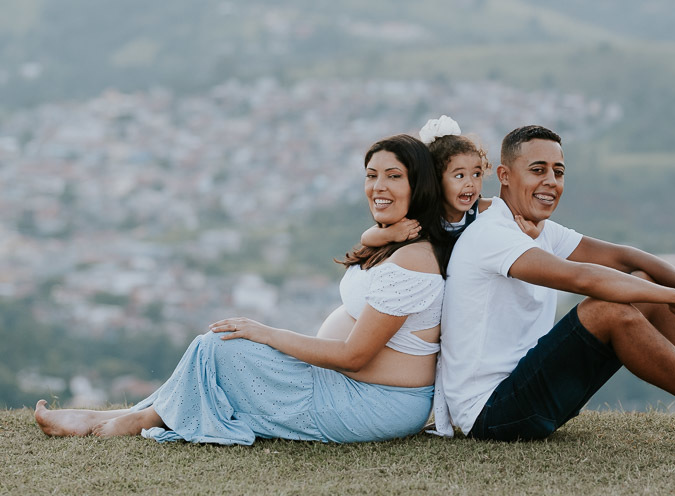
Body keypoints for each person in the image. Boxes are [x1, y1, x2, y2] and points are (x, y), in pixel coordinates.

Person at [34, 134, 452, 445]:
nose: (378, 187)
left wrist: (267, 333)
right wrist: (380, 235)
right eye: (371, 176)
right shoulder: (396, 243)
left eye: (393, 177)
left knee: (219, 348)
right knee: (214, 346)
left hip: (371, 402)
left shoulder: (414, 260)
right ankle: (121, 415)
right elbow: (367, 255)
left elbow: (355, 356)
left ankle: (131, 421)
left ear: (420, 186)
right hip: (343, 386)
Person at [433, 125, 675, 443]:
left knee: (640, 283)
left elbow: (626, 257)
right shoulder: (492, 233)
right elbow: (584, 278)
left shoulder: (540, 230)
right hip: (491, 413)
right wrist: (673, 295)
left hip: (530, 393)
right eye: (537, 170)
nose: (550, 181)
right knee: (607, 308)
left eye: (558, 171)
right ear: (504, 175)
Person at [360, 116, 539, 246]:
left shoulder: (487, 208)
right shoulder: (425, 216)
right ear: (436, 179)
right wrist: (390, 234)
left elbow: (525, 216)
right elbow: (366, 238)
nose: (470, 183)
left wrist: (534, 234)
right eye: (459, 176)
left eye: (476, 174)